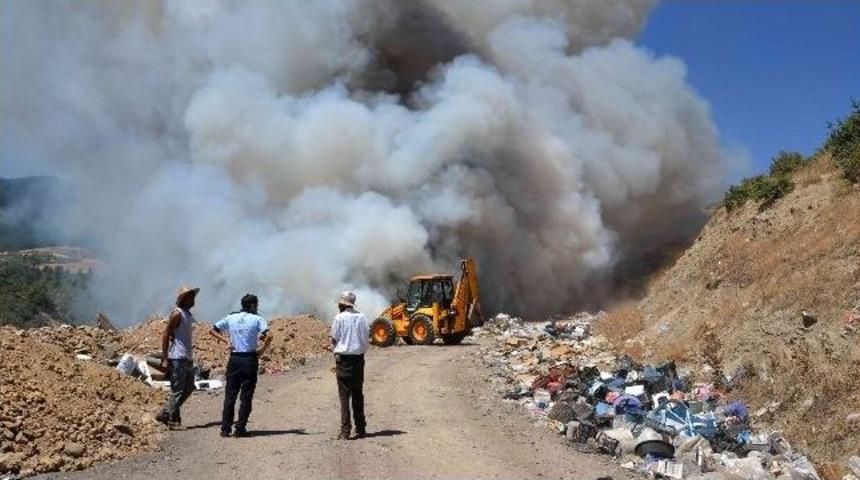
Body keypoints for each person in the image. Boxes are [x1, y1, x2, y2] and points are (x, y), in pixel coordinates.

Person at [210, 294, 271, 438]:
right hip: (249, 359)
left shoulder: (231, 317)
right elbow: (269, 336)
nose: (257, 307)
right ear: (252, 305)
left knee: (230, 395)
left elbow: (212, 330)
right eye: (256, 305)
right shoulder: (257, 319)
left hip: (235, 359)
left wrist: (226, 341)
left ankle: (225, 429)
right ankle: (240, 428)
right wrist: (261, 351)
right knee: (246, 396)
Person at [156, 286, 199, 429]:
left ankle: (166, 413)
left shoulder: (187, 314)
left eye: (193, 296)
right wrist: (164, 357)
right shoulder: (177, 314)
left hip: (186, 356)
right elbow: (166, 334)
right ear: (184, 299)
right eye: (191, 297)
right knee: (178, 389)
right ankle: (173, 421)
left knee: (189, 387)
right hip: (178, 356)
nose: (194, 299)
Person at [330, 291, 370, 440]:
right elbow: (366, 339)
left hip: (344, 360)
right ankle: (361, 428)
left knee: (344, 396)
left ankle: (345, 431)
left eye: (339, 304)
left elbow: (334, 338)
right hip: (359, 359)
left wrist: (335, 350)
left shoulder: (339, 318)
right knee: (358, 394)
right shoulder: (363, 317)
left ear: (342, 304)